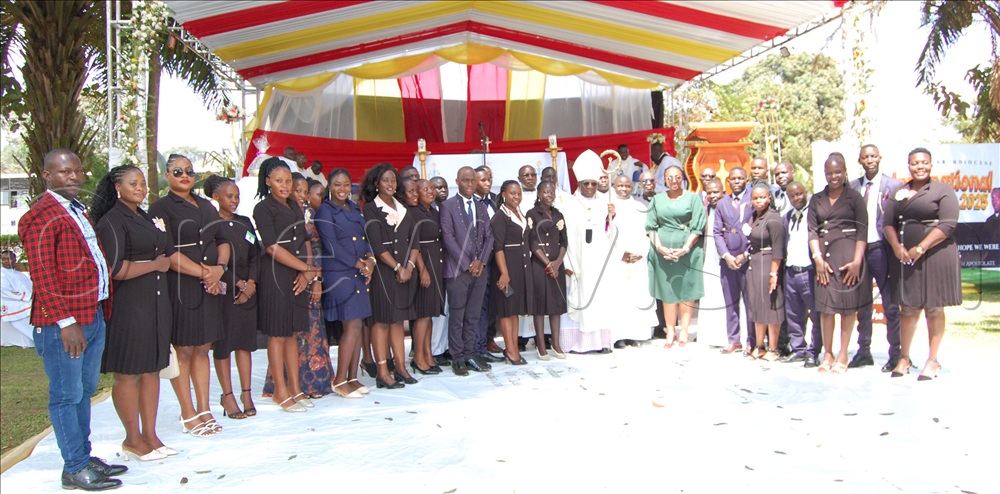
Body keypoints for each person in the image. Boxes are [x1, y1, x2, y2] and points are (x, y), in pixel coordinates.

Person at [19, 149, 125, 490]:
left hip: (91, 314)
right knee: (66, 395)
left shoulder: (78, 211)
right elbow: (43, 275)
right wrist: (65, 322)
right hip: (63, 325)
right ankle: (75, 467)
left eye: (78, 171)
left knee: (84, 392)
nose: (75, 177)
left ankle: (82, 456)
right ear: (47, 176)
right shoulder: (40, 216)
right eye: (65, 172)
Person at [91, 165, 174, 461]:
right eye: (133, 183)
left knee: (152, 369)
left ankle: (151, 435)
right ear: (117, 187)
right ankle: (132, 439)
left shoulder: (146, 217)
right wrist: (155, 265)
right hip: (129, 306)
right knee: (129, 373)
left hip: (156, 303)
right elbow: (114, 269)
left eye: (142, 183)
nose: (140, 188)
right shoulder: (112, 221)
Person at [148, 154, 230, 434]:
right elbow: (167, 252)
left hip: (210, 286)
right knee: (183, 349)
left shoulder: (207, 205)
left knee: (203, 348)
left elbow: (223, 240)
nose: (185, 175)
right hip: (182, 286)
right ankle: (187, 412)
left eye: (190, 171)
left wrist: (220, 269)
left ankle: (204, 408)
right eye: (178, 171)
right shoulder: (160, 208)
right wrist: (205, 273)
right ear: (168, 176)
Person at [883, 148, 961, 381]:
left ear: (930, 165)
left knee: (934, 307)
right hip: (906, 257)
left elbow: (948, 224)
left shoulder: (942, 190)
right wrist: (897, 247)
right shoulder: (899, 191)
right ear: (909, 166)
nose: (920, 167)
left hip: (936, 255)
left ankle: (933, 360)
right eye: (915, 163)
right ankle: (904, 357)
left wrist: (921, 247)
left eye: (924, 163)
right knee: (907, 307)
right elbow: (888, 223)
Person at [253, 157, 317, 411]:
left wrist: (307, 273)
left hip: (299, 276)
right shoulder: (263, 208)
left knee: (293, 333)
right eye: (279, 180)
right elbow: (271, 247)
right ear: (268, 181)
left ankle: (295, 388)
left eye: (288, 180)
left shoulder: (295, 206)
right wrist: (306, 269)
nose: (284, 185)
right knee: (278, 334)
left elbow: (304, 241)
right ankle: (280, 390)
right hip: (276, 276)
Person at [263, 174, 335, 399]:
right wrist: (305, 271)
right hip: (290, 276)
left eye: (306, 191)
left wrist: (314, 278)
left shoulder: (311, 215)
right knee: (287, 333)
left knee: (310, 333)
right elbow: (276, 246)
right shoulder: (281, 212)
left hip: (310, 276)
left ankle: (313, 384)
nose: (302, 196)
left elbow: (316, 249)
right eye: (298, 190)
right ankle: (284, 386)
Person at [315, 168, 374, 398]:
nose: (342, 189)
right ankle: (339, 381)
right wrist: (357, 264)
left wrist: (370, 260)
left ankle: (352, 377)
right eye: (337, 185)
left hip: (358, 271)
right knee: (351, 325)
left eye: (346, 185)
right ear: (330, 186)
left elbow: (365, 239)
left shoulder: (354, 209)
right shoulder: (324, 211)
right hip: (340, 273)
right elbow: (331, 245)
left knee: (358, 325)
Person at [808, 154, 869, 373]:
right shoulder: (816, 199)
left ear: (844, 172)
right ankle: (828, 353)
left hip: (848, 258)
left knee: (847, 308)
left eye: (838, 172)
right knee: (826, 309)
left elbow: (863, 231)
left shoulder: (855, 197)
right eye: (829, 172)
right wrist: (817, 259)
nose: (834, 176)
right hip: (824, 260)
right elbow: (812, 231)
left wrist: (856, 261)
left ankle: (843, 354)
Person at [204, 176, 259, 418]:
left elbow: (257, 255)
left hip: (248, 290)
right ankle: (228, 396)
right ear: (216, 197)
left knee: (244, 345)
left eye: (237, 196)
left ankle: (246, 393)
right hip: (224, 292)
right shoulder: (210, 224)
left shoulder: (245, 222)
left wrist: (251, 284)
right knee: (224, 346)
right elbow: (212, 261)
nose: (234, 200)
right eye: (229, 196)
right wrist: (236, 283)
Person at [362, 164, 420, 387]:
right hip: (385, 273)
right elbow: (376, 245)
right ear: (376, 183)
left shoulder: (403, 207)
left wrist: (409, 267)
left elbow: (414, 241)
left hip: (406, 271)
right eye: (385, 180)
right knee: (382, 322)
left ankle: (401, 368)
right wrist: (398, 268)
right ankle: (382, 372)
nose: (390, 184)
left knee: (398, 321)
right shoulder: (371, 209)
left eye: (393, 180)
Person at [848, 144, 905, 371]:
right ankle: (864, 351)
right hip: (860, 250)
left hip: (883, 249)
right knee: (862, 304)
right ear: (860, 161)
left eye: (873, 156)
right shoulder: (852, 187)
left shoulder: (895, 186)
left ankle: (896, 352)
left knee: (890, 303)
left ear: (879, 158)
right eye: (865, 157)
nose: (870, 160)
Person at [440, 166, 494, 375]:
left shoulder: (481, 206)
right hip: (457, 270)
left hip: (480, 270)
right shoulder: (448, 206)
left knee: (473, 315)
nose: (470, 184)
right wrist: (467, 263)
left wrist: (481, 261)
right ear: (457, 181)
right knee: (457, 315)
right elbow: (448, 236)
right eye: (465, 181)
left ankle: (470, 354)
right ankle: (457, 357)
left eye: (473, 181)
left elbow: (489, 235)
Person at [646, 165, 706, 348]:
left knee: (686, 292)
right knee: (667, 292)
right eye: (670, 178)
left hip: (687, 252)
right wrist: (660, 247)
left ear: (683, 178)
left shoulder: (693, 198)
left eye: (677, 177)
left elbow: (698, 226)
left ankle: (685, 331)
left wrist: (685, 248)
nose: (674, 181)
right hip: (663, 253)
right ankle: (670, 330)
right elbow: (650, 227)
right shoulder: (656, 200)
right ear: (665, 179)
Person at [562, 150, 615, 354]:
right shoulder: (569, 205)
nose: (591, 187)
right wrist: (568, 263)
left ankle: (600, 343)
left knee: (599, 301)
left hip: (599, 260)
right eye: (587, 184)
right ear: (580, 184)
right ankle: (576, 344)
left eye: (594, 183)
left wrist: (612, 218)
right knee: (580, 300)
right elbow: (564, 236)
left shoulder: (605, 203)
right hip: (578, 261)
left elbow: (611, 233)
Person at [607, 175, 657, 348]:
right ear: (614, 186)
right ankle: (619, 335)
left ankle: (636, 334)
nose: (624, 189)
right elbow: (605, 234)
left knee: (637, 297)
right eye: (620, 186)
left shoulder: (639, 207)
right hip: (617, 260)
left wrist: (641, 253)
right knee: (619, 298)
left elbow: (647, 233)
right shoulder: (608, 207)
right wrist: (620, 254)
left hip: (637, 260)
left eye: (627, 186)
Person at [489, 180, 534, 364]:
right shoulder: (500, 217)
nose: (516, 197)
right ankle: (510, 350)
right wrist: (504, 273)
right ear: (504, 194)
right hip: (506, 267)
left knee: (514, 311)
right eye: (512, 193)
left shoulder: (519, 214)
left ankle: (514, 347)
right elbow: (498, 247)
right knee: (507, 311)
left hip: (520, 267)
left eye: (519, 193)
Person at [780, 182, 822, 366]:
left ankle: (814, 350)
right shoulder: (787, 217)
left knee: (816, 313)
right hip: (791, 270)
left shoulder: (814, 214)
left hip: (809, 270)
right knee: (794, 313)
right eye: (792, 195)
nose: (796, 198)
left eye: (799, 194)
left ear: (806, 193)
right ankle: (798, 348)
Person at [713, 166, 754, 354]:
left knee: (750, 302)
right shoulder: (722, 203)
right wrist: (726, 255)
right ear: (728, 181)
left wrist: (745, 254)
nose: (737, 181)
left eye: (740, 178)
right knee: (731, 302)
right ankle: (733, 339)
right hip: (728, 261)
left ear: (746, 180)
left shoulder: (753, 199)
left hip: (749, 260)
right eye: (734, 179)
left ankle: (752, 340)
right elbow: (716, 232)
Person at [526, 180, 569, 359]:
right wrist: (547, 263)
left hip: (557, 267)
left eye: (552, 192)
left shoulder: (559, 215)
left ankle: (556, 343)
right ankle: (541, 345)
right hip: (539, 266)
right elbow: (532, 242)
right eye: (545, 192)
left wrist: (557, 263)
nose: (549, 195)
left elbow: (564, 241)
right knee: (539, 306)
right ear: (539, 193)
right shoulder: (532, 213)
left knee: (556, 305)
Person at [408, 179, 446, 374]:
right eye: (425, 189)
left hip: (436, 262)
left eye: (432, 188)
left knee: (430, 314)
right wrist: (422, 269)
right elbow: (415, 244)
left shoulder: (433, 210)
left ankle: (428, 355)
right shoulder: (414, 212)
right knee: (422, 314)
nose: (430, 192)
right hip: (424, 265)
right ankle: (419, 358)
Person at [744, 183, 786, 361]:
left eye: (762, 197)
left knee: (770, 307)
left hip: (769, 263)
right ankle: (760, 346)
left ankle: (773, 348)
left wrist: (773, 274)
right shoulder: (754, 216)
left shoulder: (773, 218)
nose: (759, 201)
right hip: (754, 264)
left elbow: (778, 250)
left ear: (769, 197)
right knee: (757, 307)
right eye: (755, 198)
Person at [697, 178, 729, 348]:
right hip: (709, 257)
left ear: (723, 192)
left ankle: (727, 336)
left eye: (716, 192)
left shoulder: (730, 208)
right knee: (711, 294)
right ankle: (711, 335)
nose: (713, 196)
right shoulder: (705, 209)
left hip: (725, 258)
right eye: (709, 193)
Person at [1, 249, 34, 346]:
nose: (6, 261)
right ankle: (34, 337)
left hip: (24, 300)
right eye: (4, 259)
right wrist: (28, 297)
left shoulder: (21, 274)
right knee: (31, 308)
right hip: (9, 302)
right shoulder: (2, 274)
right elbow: (5, 291)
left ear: (15, 259)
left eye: (9, 259)